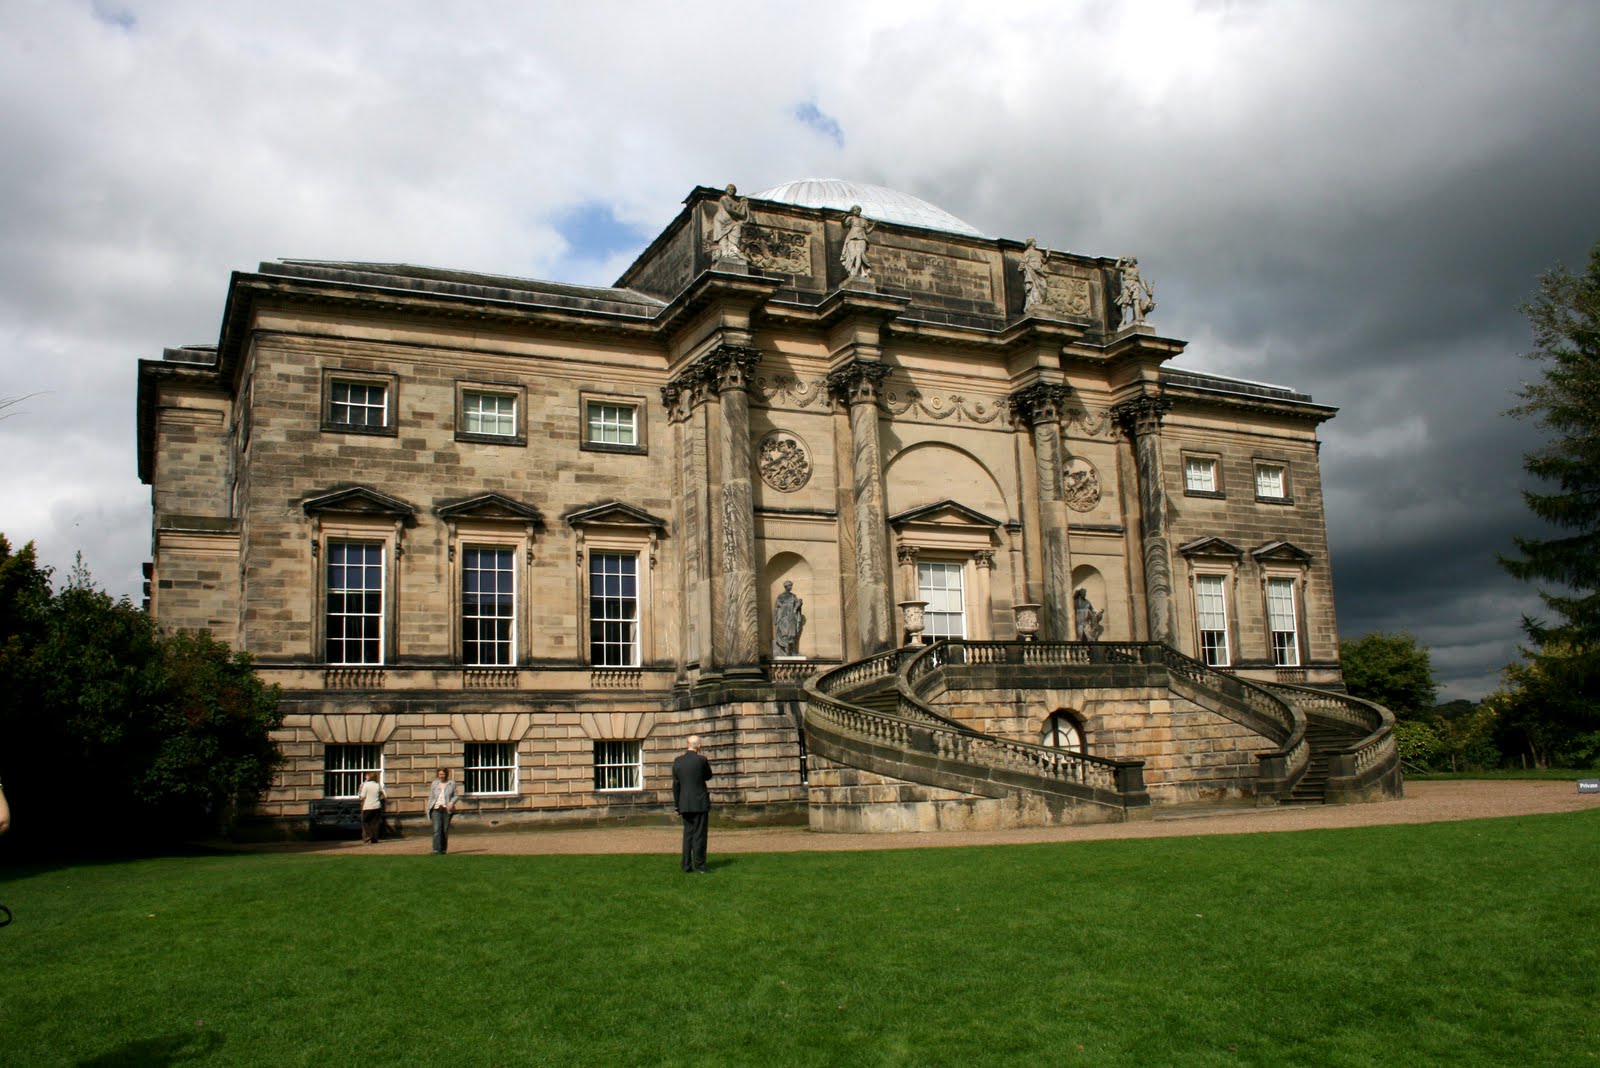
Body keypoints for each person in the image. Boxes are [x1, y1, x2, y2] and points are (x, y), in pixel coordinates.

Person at [671, 735, 714, 874]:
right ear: (699, 746)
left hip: (685, 803)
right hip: (699, 802)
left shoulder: (678, 761)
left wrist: (677, 805)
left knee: (688, 834)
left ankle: (686, 864)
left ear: (687, 745)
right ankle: (699, 864)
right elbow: (708, 776)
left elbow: (676, 785)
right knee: (699, 835)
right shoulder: (702, 760)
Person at [710, 183, 750, 261]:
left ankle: (733, 250)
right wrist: (739, 214)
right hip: (721, 220)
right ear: (726, 191)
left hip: (732, 221)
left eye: (732, 189)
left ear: (735, 191)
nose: (730, 190)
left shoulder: (737, 203)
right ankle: (724, 252)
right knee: (723, 236)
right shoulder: (724, 198)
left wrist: (743, 205)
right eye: (729, 189)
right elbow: (729, 209)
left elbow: (743, 215)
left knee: (737, 228)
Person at [425, 768, 461, 854]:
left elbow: (456, 796)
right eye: (440, 774)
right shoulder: (434, 783)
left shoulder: (451, 783)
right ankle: (436, 850)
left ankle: (443, 850)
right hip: (436, 809)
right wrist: (428, 808)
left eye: (443, 774)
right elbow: (431, 797)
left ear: (446, 775)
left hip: (446, 810)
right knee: (437, 830)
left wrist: (451, 802)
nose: (441, 776)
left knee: (444, 830)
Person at [840, 205, 875, 280]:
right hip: (851, 238)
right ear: (852, 211)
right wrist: (843, 219)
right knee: (852, 255)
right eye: (855, 210)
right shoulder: (850, 218)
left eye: (858, 210)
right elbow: (844, 225)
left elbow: (867, 231)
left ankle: (856, 272)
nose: (857, 211)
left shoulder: (864, 220)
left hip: (862, 239)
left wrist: (873, 226)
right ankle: (852, 271)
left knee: (860, 255)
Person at [773, 580, 805, 656]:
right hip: (783, 617)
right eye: (789, 586)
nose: (791, 587)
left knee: (792, 634)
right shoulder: (781, 596)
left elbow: (797, 606)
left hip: (791, 617)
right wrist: (775, 619)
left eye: (791, 586)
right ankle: (786, 651)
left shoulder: (793, 596)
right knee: (785, 633)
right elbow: (776, 608)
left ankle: (792, 651)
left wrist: (800, 603)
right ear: (786, 587)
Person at [1019, 237, 1050, 310]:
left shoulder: (1039, 253)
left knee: (1044, 287)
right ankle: (1035, 302)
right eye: (1034, 241)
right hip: (1031, 270)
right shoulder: (1027, 252)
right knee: (1033, 287)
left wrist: (1048, 255)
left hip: (1039, 272)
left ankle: (1040, 302)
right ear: (1030, 242)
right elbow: (1023, 262)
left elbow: (1044, 261)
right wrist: (1023, 268)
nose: (1035, 243)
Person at [358, 771, 385, 844]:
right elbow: (382, 794)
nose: (365, 777)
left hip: (368, 806)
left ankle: (369, 835)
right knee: (375, 823)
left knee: (365, 821)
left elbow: (363, 795)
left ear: (369, 777)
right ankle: (374, 839)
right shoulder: (378, 785)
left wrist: (360, 797)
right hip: (377, 806)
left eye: (367, 775)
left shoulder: (366, 785)